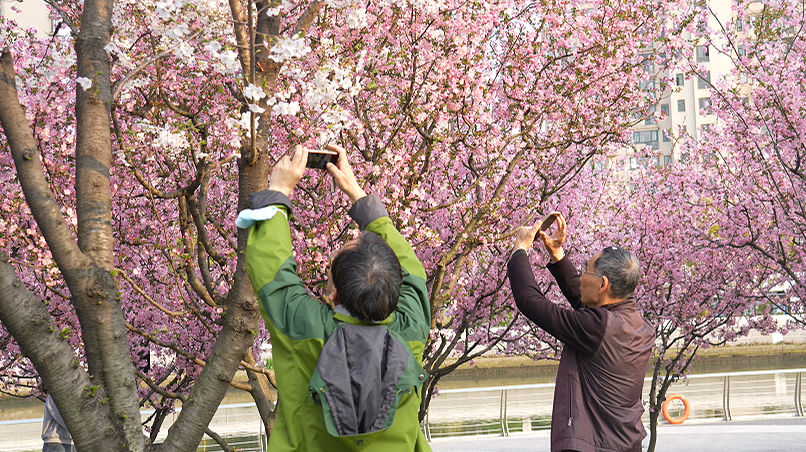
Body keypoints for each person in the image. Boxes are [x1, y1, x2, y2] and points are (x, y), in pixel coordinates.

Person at [238, 145, 431, 451]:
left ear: (334, 292)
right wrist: (356, 194)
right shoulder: (411, 329)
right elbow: (413, 270)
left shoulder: (307, 327)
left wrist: (279, 189)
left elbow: (270, 269)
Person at [507, 215, 654, 452]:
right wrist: (557, 255)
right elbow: (587, 303)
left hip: (594, 446)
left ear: (603, 284)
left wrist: (520, 250)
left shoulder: (597, 327)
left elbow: (529, 301)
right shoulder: (642, 327)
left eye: (586, 270)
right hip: (626, 443)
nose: (581, 275)